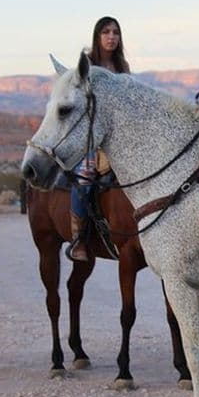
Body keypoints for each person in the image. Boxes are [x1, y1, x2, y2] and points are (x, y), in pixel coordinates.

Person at [68, 16, 130, 261]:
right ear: (97, 36)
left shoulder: (122, 68)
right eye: (106, 32)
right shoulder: (87, 68)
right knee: (84, 176)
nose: (111, 37)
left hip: (117, 138)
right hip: (90, 139)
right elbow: (81, 109)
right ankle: (79, 238)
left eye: (115, 32)